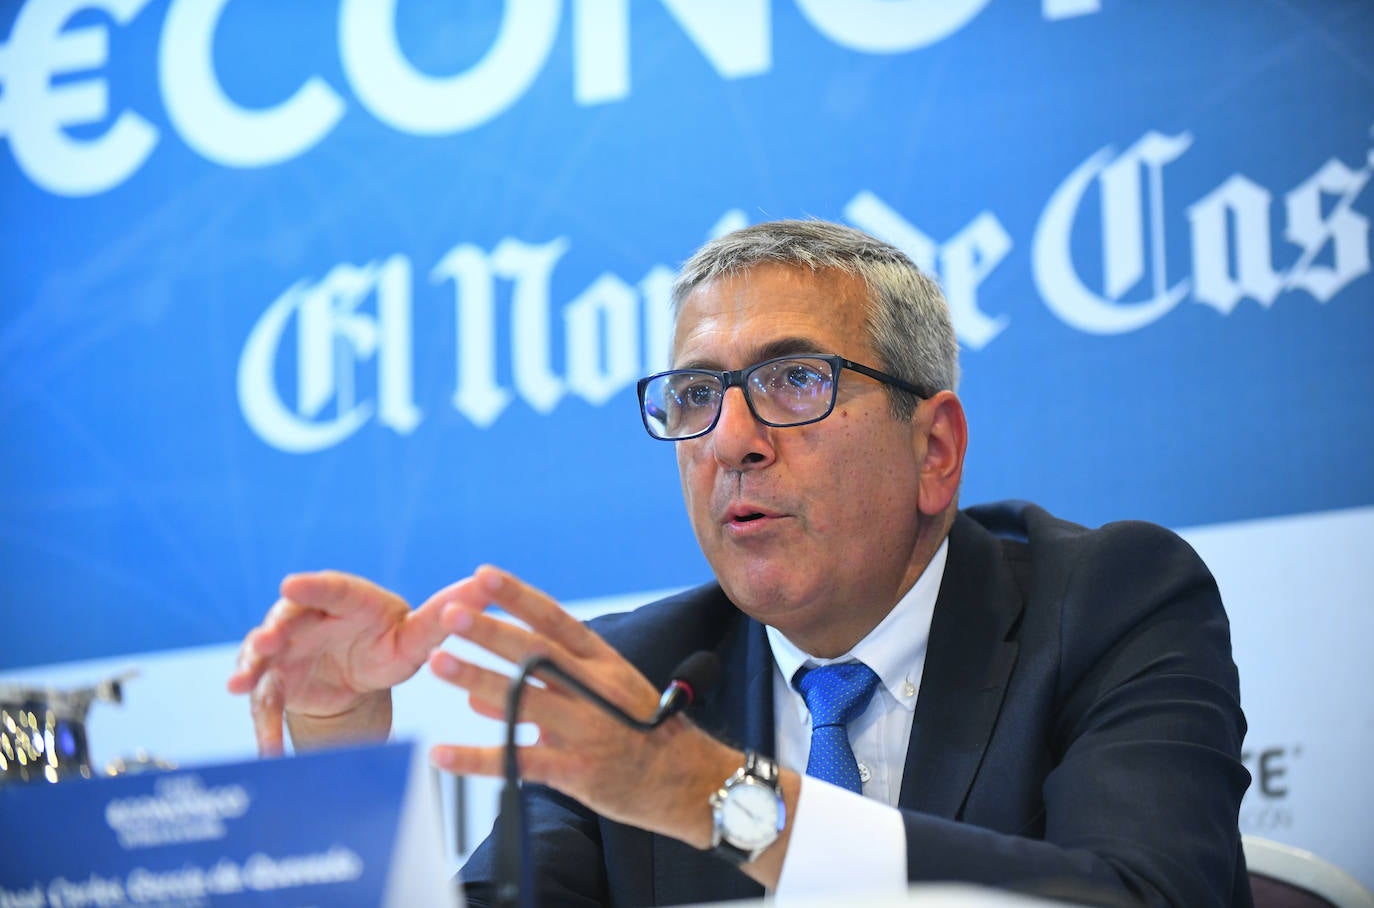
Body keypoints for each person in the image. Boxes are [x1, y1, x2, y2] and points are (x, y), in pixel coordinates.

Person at [229, 220, 1252, 906]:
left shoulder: (1109, 602)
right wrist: (338, 759)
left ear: (934, 449)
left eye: (794, 380)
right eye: (695, 396)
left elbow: (1151, 897)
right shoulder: (637, 677)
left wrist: (717, 799)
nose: (729, 441)